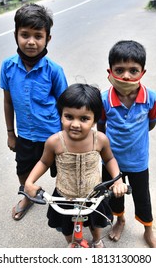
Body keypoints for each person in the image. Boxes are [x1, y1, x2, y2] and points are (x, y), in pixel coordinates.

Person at [24, 83, 128, 248]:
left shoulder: (100, 139)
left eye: (84, 118)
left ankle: (96, 240)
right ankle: (72, 242)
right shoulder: (55, 142)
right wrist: (29, 182)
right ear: (61, 115)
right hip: (64, 195)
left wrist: (117, 181)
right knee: (66, 227)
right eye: (69, 116)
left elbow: (109, 160)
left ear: (95, 119)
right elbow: (44, 162)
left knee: (95, 224)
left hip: (93, 194)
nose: (75, 124)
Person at [0, 3, 68, 221]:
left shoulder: (54, 71)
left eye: (38, 36)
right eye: (25, 35)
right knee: (23, 169)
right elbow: (8, 102)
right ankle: (27, 195)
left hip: (53, 135)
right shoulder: (8, 67)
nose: (31, 42)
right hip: (26, 136)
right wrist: (11, 133)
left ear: (48, 38)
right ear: (15, 35)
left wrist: (68, 137)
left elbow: (66, 106)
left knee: (64, 173)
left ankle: (66, 201)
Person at [97, 40, 156, 248]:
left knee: (143, 198)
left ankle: (148, 231)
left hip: (138, 161)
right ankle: (120, 220)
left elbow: (150, 124)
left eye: (133, 70)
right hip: (111, 160)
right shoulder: (103, 99)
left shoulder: (151, 98)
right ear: (110, 71)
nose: (126, 76)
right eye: (119, 70)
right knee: (113, 196)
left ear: (143, 71)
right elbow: (101, 128)